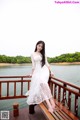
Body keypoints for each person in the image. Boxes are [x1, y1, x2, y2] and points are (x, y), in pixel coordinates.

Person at [26, 40, 55, 114]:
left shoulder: (43, 54)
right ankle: (51, 104)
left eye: (42, 47)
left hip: (44, 71)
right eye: (39, 45)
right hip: (37, 71)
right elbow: (33, 65)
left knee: (43, 83)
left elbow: (47, 63)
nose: (40, 47)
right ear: (36, 45)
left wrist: (51, 72)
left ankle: (51, 104)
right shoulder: (32, 54)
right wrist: (31, 74)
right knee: (42, 87)